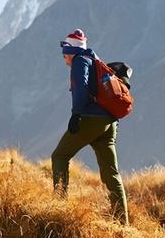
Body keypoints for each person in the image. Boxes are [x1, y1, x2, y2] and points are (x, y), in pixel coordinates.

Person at [51, 29, 129, 225]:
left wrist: (76, 114)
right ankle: (123, 223)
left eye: (64, 54)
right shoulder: (95, 60)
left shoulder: (80, 61)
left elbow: (81, 87)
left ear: (69, 51)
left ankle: (58, 208)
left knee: (60, 156)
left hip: (90, 119)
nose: (64, 58)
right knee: (111, 173)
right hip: (108, 122)